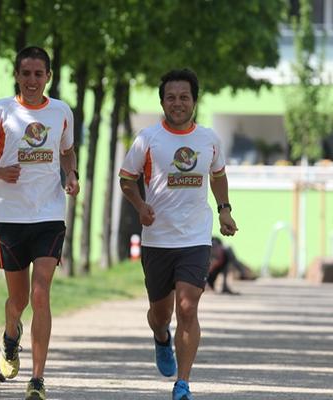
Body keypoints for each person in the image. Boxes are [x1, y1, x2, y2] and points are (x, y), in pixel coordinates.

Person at [0, 46, 79, 400]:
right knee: (19, 301)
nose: (32, 80)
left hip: (49, 215)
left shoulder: (61, 111)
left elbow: (66, 149)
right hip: (12, 218)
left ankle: (38, 379)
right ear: (17, 75)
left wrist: (71, 174)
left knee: (41, 291)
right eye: (26, 73)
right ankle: (10, 334)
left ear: (48, 76)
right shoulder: (1, 110)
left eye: (38, 74)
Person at [119, 69, 238, 400]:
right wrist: (140, 206)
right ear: (162, 102)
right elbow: (126, 180)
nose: (178, 103)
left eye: (184, 97)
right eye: (171, 97)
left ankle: (182, 384)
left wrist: (224, 209)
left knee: (188, 307)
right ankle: (160, 337)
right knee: (161, 315)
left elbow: (218, 176)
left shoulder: (209, 139)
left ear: (194, 101)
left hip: (195, 238)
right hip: (158, 238)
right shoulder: (147, 139)